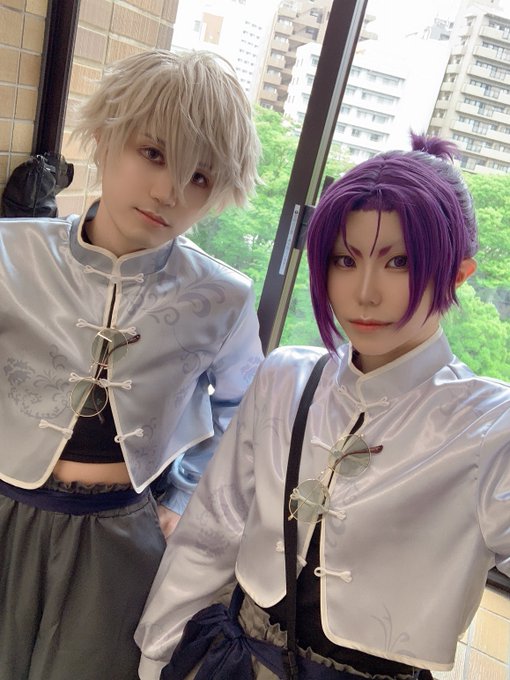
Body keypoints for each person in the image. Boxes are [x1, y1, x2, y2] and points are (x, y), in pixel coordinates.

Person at [135, 133, 510, 680]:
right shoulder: (286, 376)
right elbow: (213, 529)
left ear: (458, 273)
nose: (364, 292)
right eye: (344, 259)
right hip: (233, 657)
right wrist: (157, 656)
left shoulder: (488, 425)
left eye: (399, 261)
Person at [0, 49, 263, 680]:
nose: (169, 191)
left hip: (122, 532)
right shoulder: (10, 253)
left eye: (200, 178)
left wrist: (188, 494)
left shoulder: (222, 296)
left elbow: (246, 413)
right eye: (153, 153)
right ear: (104, 136)